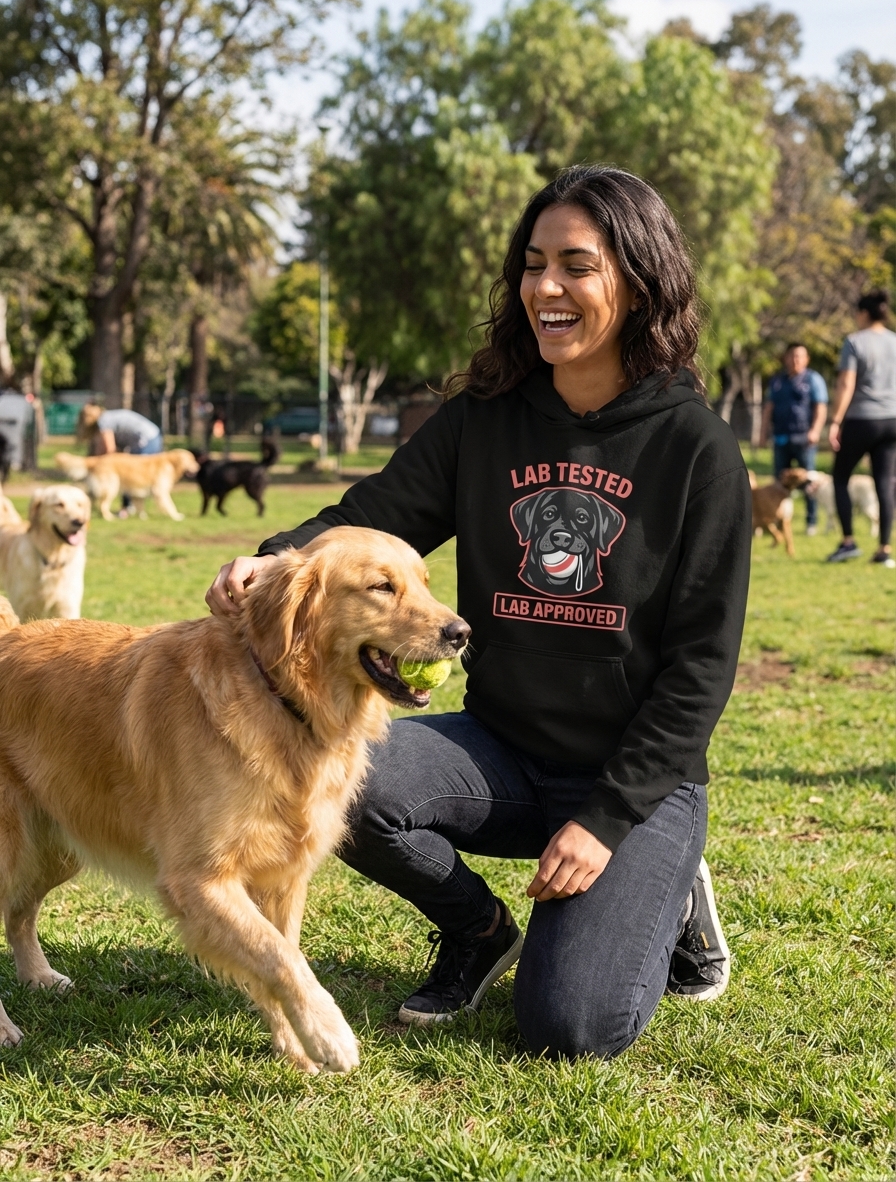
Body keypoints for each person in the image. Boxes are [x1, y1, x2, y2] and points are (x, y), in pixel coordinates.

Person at [206, 166, 752, 1060]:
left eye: (577, 265)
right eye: (534, 265)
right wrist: (274, 560)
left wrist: (608, 820)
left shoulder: (697, 449)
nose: (546, 288)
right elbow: (371, 513)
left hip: (632, 780)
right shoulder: (485, 420)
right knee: (340, 784)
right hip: (500, 751)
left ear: (638, 282)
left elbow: (702, 669)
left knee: (571, 1026)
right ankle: (478, 931)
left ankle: (670, 887)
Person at [826, 289, 896, 567]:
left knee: (840, 477)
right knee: (885, 482)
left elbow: (846, 383)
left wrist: (835, 421)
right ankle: (884, 548)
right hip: (891, 420)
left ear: (864, 313)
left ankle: (848, 542)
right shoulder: (894, 341)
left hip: (862, 419)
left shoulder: (855, 341)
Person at [759, 343, 828, 533]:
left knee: (808, 482)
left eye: (799, 356)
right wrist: (763, 433)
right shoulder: (777, 382)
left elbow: (820, 407)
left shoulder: (813, 379)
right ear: (786, 358)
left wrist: (815, 430)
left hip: (804, 439)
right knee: (779, 483)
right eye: (792, 356)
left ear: (807, 359)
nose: (795, 360)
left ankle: (811, 522)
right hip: (781, 438)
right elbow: (769, 408)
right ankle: (777, 521)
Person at [77, 403, 164, 517]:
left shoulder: (104, 421)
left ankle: (128, 508)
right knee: (131, 474)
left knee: (128, 475)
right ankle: (132, 508)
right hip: (153, 436)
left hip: (146, 440)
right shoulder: (108, 417)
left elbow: (110, 449)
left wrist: (98, 465)